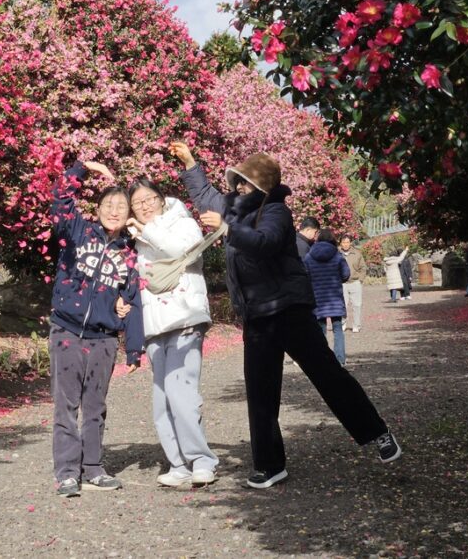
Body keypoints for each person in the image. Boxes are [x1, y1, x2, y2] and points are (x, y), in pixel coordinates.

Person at [170, 141, 402, 489]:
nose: (238, 188)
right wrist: (190, 162)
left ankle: (377, 432)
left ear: (261, 187)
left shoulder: (277, 211)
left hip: (289, 310)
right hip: (256, 315)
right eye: (237, 182)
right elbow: (205, 195)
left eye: (245, 183)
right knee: (260, 392)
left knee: (328, 375)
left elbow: (264, 242)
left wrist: (229, 229)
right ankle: (269, 465)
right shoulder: (233, 210)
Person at [48, 159, 144, 498]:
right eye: (109, 204)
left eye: (121, 207)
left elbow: (132, 299)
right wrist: (82, 168)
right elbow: (61, 201)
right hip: (67, 331)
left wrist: (134, 346)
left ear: (129, 214)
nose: (114, 211)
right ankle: (66, 473)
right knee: (66, 405)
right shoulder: (78, 231)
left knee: (95, 406)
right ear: (98, 208)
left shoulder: (130, 253)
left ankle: (93, 468)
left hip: (104, 338)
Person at [120, 177, 218, 488]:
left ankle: (202, 461)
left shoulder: (182, 223)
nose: (145, 206)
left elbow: (180, 250)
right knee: (161, 400)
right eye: (138, 203)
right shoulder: (135, 238)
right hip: (154, 325)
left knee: (181, 393)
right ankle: (178, 464)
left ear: (162, 199)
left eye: (149, 199)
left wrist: (145, 230)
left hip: (184, 318)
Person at [303, 229, 351, 366]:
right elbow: (346, 274)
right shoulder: (337, 256)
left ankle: (322, 359)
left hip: (318, 299)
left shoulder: (309, 257)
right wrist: (338, 279)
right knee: (338, 329)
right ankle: (340, 359)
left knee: (320, 331)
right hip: (334, 298)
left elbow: (305, 275)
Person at [340, 234, 367, 333]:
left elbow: (363, 268)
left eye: (347, 242)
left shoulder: (357, 253)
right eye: (343, 242)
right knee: (342, 305)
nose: (345, 244)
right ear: (340, 243)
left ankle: (356, 325)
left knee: (357, 305)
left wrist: (360, 280)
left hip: (355, 282)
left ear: (350, 243)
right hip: (342, 283)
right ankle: (343, 323)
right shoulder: (337, 254)